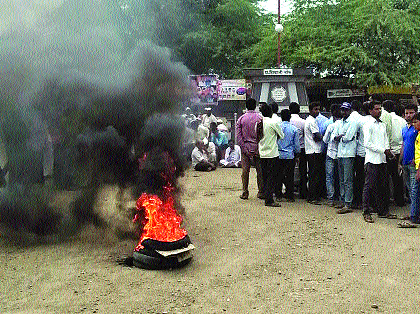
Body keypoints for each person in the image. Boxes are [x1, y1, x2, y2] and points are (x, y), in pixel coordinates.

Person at [362, 101, 397, 223]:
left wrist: (388, 152)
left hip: (382, 160)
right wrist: (383, 150)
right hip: (372, 160)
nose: (379, 111)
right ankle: (366, 212)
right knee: (369, 186)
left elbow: (385, 140)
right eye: (376, 109)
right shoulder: (368, 125)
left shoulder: (382, 125)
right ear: (370, 111)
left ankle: (382, 211)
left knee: (382, 186)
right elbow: (367, 143)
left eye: (380, 109)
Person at [236, 98, 263, 200]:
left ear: (246, 106)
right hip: (258, 148)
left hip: (245, 148)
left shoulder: (241, 119)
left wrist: (245, 148)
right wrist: (257, 146)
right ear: (255, 105)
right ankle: (261, 192)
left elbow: (239, 137)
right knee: (260, 171)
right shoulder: (260, 118)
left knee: (245, 171)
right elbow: (262, 135)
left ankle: (245, 192)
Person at [333, 102, 358, 214]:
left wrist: (341, 136)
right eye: (342, 110)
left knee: (348, 180)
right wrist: (341, 136)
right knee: (341, 179)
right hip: (340, 153)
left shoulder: (353, 122)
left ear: (350, 110)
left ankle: (348, 203)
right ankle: (343, 201)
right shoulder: (339, 122)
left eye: (346, 110)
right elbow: (334, 137)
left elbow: (348, 137)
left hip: (349, 153)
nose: (344, 112)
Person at [258, 102, 284, 207]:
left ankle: (266, 195)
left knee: (264, 176)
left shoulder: (259, 123)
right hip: (272, 153)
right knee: (272, 177)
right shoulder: (273, 122)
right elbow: (282, 135)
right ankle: (269, 200)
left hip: (262, 152)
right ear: (271, 112)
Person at [276, 109, 300, 202]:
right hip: (290, 155)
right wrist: (297, 154)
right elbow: (296, 145)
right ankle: (290, 196)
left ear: (281, 117)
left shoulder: (277, 127)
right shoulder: (294, 129)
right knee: (290, 175)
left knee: (278, 175)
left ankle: (278, 195)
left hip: (278, 154)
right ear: (290, 117)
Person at [304, 102, 324, 205]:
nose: (318, 111)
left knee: (313, 174)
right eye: (315, 109)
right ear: (311, 110)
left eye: (318, 109)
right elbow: (316, 136)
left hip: (310, 150)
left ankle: (312, 196)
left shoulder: (309, 120)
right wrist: (324, 137)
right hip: (314, 150)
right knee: (314, 175)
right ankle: (313, 197)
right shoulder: (312, 121)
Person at [399, 103, 418, 206]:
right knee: (410, 189)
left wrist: (415, 159)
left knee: (414, 190)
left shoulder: (417, 128)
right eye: (406, 113)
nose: (409, 115)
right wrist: (399, 162)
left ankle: (414, 215)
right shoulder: (404, 128)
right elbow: (403, 145)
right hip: (405, 163)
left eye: (411, 113)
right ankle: (413, 212)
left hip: (414, 163)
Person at [388, 102, 406, 206]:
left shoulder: (386, 119)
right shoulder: (402, 121)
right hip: (400, 151)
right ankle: (400, 200)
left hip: (389, 152)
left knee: (387, 177)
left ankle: (389, 199)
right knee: (398, 178)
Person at [322, 104, 341, 207]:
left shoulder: (330, 125)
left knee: (329, 177)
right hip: (341, 154)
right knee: (340, 177)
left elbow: (325, 140)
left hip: (330, 153)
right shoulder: (344, 126)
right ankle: (340, 197)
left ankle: (330, 198)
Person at [353, 101, 370, 209]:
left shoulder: (360, 121)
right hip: (369, 154)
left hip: (360, 153)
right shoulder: (374, 121)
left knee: (359, 178)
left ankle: (358, 200)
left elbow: (354, 135)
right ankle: (369, 202)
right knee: (369, 179)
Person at [289, 102, 307, 199]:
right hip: (301, 148)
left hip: (289, 149)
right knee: (302, 171)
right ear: (299, 110)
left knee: (289, 170)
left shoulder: (287, 121)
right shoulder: (303, 122)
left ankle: (290, 190)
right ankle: (303, 192)